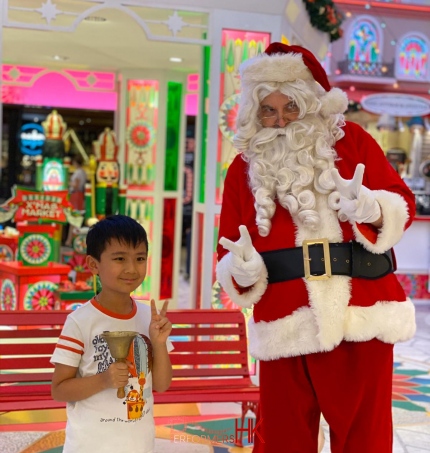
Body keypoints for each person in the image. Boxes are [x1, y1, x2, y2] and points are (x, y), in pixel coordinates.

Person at [216, 43, 416, 453]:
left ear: (310, 103)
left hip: (361, 314)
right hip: (284, 318)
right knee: (282, 439)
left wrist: (372, 208)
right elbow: (230, 248)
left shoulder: (353, 142)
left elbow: (401, 203)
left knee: (365, 438)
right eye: (267, 111)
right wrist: (242, 271)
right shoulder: (243, 168)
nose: (279, 121)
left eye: (289, 106)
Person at [51, 215, 173, 453]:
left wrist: (158, 344)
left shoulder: (149, 317)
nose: (131, 268)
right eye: (119, 259)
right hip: (89, 446)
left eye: (140, 258)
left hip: (139, 444)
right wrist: (103, 380)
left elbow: (162, 384)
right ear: (94, 265)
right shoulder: (80, 322)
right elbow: (59, 389)